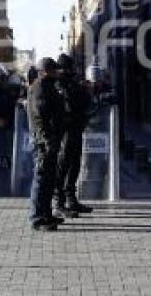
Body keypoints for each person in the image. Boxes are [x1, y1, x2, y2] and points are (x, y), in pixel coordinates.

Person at [27, 58, 65, 231]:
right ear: (45, 71)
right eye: (54, 70)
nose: (57, 73)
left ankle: (46, 214)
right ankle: (37, 218)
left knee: (49, 180)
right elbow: (40, 118)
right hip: (44, 142)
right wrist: (47, 140)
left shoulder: (48, 87)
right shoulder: (40, 88)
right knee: (41, 179)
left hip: (51, 140)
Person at [54, 53, 93, 218]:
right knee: (63, 166)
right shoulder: (58, 85)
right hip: (65, 131)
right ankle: (59, 203)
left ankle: (71, 199)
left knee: (75, 164)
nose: (71, 71)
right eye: (68, 68)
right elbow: (68, 105)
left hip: (76, 129)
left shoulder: (73, 83)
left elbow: (85, 102)